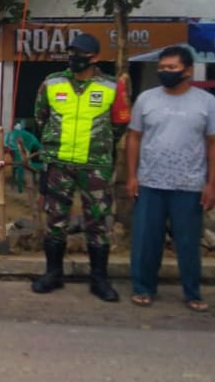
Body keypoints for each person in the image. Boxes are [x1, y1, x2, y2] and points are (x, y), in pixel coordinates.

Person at [31, 33, 130, 302]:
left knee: (98, 222)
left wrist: (100, 144)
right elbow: (40, 118)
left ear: (94, 57)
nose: (74, 57)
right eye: (71, 51)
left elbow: (120, 123)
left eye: (80, 53)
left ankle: (99, 279)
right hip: (58, 163)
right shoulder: (52, 83)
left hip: (94, 166)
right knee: (55, 220)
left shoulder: (111, 86)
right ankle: (53, 274)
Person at [126, 46, 215, 312]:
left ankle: (192, 292)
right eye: (162, 68)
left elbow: (212, 144)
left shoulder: (206, 102)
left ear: (187, 71)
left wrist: (211, 184)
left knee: (188, 242)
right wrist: (132, 176)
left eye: (172, 68)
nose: (165, 72)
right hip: (150, 182)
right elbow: (134, 137)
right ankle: (143, 288)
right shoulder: (146, 99)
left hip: (189, 184)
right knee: (146, 241)